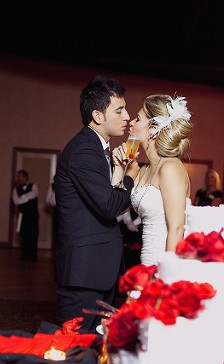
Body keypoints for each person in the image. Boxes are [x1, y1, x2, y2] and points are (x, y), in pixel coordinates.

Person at [54, 76, 133, 333]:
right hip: (84, 273)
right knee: (74, 349)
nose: (127, 116)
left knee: (95, 347)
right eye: (119, 110)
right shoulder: (84, 151)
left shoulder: (98, 148)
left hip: (96, 268)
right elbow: (109, 206)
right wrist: (132, 176)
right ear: (98, 116)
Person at [118, 94, 194, 266]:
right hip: (145, 262)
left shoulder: (170, 167)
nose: (131, 122)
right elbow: (117, 209)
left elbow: (177, 228)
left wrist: (165, 279)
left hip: (164, 263)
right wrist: (122, 168)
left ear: (153, 128)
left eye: (137, 119)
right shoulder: (144, 169)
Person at [12, 169, 40, 260]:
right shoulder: (15, 189)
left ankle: (33, 256)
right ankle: (24, 255)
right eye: (17, 176)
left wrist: (23, 197)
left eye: (19, 176)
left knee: (33, 234)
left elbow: (34, 194)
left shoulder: (34, 186)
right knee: (23, 235)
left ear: (25, 177)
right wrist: (27, 198)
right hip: (22, 216)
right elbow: (16, 201)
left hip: (33, 216)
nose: (18, 178)